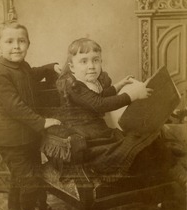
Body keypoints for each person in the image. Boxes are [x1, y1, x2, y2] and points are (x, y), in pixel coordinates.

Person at [54, 38, 177, 179]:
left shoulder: (88, 83)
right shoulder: (73, 86)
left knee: (150, 143)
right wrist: (132, 95)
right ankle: (170, 178)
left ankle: (178, 178)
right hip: (89, 142)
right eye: (84, 61)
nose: (91, 66)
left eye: (96, 60)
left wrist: (118, 86)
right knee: (140, 150)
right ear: (72, 67)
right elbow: (99, 103)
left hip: (102, 135)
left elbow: (100, 95)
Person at [0, 21, 61, 210]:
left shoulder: (22, 67)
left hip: (28, 138)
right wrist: (42, 122)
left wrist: (51, 67)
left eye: (21, 41)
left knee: (20, 182)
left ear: (28, 44)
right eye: (9, 41)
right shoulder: (0, 74)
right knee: (29, 183)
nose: (16, 46)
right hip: (12, 141)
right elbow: (15, 106)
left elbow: (32, 74)